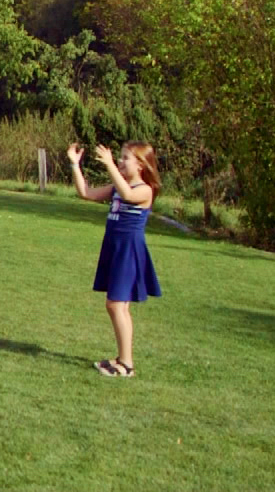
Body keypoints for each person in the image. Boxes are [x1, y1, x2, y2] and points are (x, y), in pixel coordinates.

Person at [67, 141, 162, 377]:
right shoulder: (117, 187)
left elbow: (129, 194)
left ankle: (127, 365)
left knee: (115, 304)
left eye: (125, 158)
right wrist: (75, 165)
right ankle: (122, 358)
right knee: (121, 306)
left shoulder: (145, 190)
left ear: (140, 165)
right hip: (115, 248)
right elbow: (85, 193)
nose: (120, 161)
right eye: (119, 157)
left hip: (129, 251)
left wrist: (109, 164)